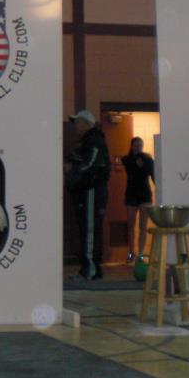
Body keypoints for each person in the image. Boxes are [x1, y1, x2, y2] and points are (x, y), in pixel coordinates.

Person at [64, 110, 110, 280]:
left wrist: (72, 169)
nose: (75, 126)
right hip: (86, 192)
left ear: (86, 124)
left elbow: (91, 165)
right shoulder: (85, 142)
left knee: (90, 230)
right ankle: (91, 269)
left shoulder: (94, 141)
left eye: (78, 122)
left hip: (91, 191)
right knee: (87, 230)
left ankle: (90, 270)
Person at [122, 137, 155, 263]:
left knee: (143, 225)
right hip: (131, 194)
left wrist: (143, 164)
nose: (138, 148)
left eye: (140, 145)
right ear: (132, 146)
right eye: (136, 145)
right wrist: (136, 160)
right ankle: (131, 252)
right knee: (130, 224)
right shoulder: (128, 159)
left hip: (145, 194)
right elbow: (126, 161)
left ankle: (140, 254)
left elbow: (152, 174)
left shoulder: (147, 159)